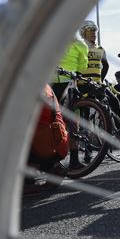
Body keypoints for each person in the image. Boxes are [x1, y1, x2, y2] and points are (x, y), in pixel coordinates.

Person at [52, 32, 88, 170]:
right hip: (57, 82)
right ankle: (58, 160)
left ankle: (72, 159)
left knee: (70, 121)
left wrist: (78, 72)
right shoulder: (55, 37)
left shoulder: (78, 43)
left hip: (65, 82)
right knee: (57, 121)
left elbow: (83, 62)